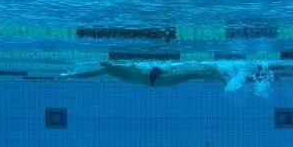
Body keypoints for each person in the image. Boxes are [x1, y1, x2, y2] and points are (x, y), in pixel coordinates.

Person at [59, 60, 270, 87]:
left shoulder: (117, 68)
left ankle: (250, 78)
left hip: (159, 78)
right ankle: (251, 78)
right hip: (159, 79)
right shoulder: (110, 69)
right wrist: (69, 76)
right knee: (204, 71)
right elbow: (91, 74)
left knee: (203, 71)